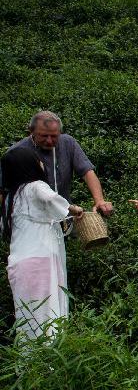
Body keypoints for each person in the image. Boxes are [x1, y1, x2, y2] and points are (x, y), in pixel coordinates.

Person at [2, 146, 84, 341]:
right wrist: (72, 209)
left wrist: (68, 219)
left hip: (22, 265)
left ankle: (30, 368)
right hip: (41, 264)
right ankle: (49, 369)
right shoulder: (36, 186)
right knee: (49, 319)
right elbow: (50, 198)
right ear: (30, 164)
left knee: (29, 321)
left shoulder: (12, 197)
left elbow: (48, 223)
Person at [3, 111, 113, 216]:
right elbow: (3, 189)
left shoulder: (68, 143)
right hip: (31, 218)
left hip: (64, 213)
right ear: (31, 131)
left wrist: (99, 200)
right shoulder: (16, 152)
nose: (49, 141)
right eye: (44, 136)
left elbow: (87, 172)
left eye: (54, 136)